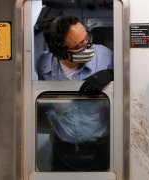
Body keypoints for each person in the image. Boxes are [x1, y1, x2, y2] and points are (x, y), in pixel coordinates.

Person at [36, 16, 113, 171]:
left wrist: (111, 73)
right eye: (80, 45)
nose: (88, 46)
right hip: (62, 149)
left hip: (100, 148)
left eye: (87, 38)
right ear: (60, 51)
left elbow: (133, 79)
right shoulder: (44, 65)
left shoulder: (106, 57)